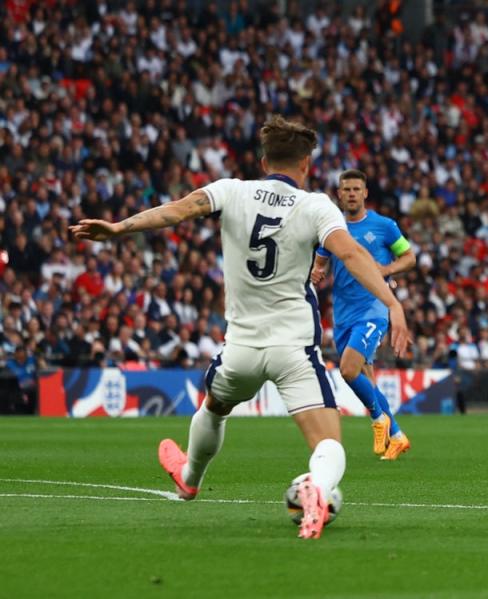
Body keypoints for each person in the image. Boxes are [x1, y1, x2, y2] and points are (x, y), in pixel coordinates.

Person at [70, 116, 410, 540]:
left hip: (241, 347)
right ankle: (316, 489)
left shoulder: (230, 190)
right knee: (329, 445)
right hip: (294, 349)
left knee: (213, 406)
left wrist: (120, 227)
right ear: (306, 163)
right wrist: (393, 302)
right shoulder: (317, 205)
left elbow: (177, 211)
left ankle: (190, 477)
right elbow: (354, 255)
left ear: (264, 160)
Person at [310, 169, 416, 460]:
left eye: (357, 189)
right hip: (343, 314)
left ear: (365, 193)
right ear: (340, 194)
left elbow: (409, 257)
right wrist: (317, 271)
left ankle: (377, 418)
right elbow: (320, 262)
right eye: (347, 189)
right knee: (364, 376)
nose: (352, 194)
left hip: (373, 309)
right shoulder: (332, 229)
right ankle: (396, 435)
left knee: (348, 369)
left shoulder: (384, 226)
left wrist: (386, 270)